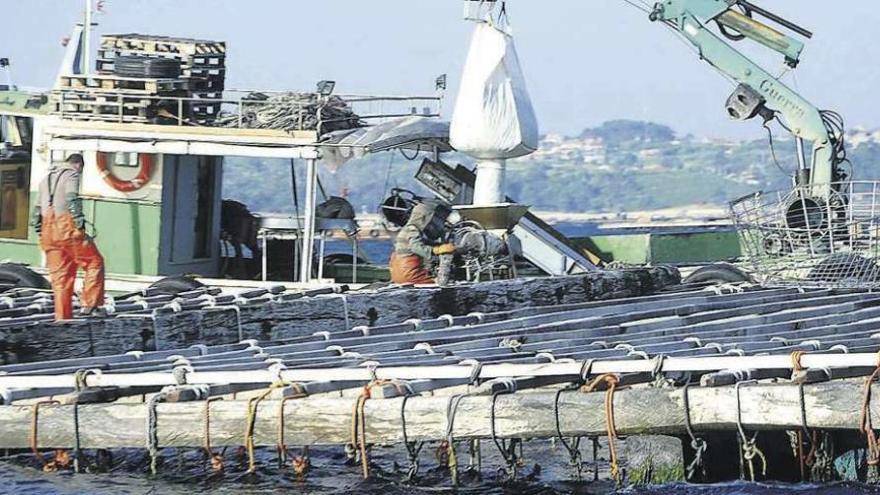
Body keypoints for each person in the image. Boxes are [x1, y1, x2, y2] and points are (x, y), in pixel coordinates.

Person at [31, 154, 105, 319]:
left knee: (60, 279)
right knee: (94, 262)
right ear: (78, 165)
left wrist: (41, 231)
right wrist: (80, 224)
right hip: (66, 229)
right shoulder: (72, 174)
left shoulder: (45, 180)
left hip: (48, 233)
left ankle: (63, 318)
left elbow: (36, 213)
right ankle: (91, 305)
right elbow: (72, 198)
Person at [389, 201, 456, 284]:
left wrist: (438, 245)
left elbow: (420, 243)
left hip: (398, 273)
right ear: (425, 218)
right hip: (410, 273)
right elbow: (416, 247)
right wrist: (437, 250)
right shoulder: (412, 229)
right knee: (435, 285)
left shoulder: (407, 229)